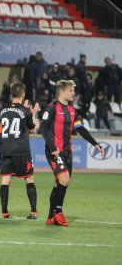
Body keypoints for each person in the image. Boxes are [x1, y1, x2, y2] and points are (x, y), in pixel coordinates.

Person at [41, 80, 104, 226]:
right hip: (54, 151)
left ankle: (51, 216)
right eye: (71, 90)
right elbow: (43, 128)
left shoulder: (72, 110)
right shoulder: (51, 108)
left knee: (60, 183)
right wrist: (52, 147)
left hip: (67, 152)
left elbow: (80, 129)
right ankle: (58, 213)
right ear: (62, 91)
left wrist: (95, 143)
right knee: (64, 179)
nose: (74, 93)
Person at [0, 83, 39, 219]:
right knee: (29, 178)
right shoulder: (25, 111)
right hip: (21, 149)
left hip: (6, 149)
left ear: (11, 94)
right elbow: (32, 129)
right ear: (23, 94)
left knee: (5, 180)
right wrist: (32, 114)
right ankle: (33, 212)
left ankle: (4, 212)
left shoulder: (3, 110)